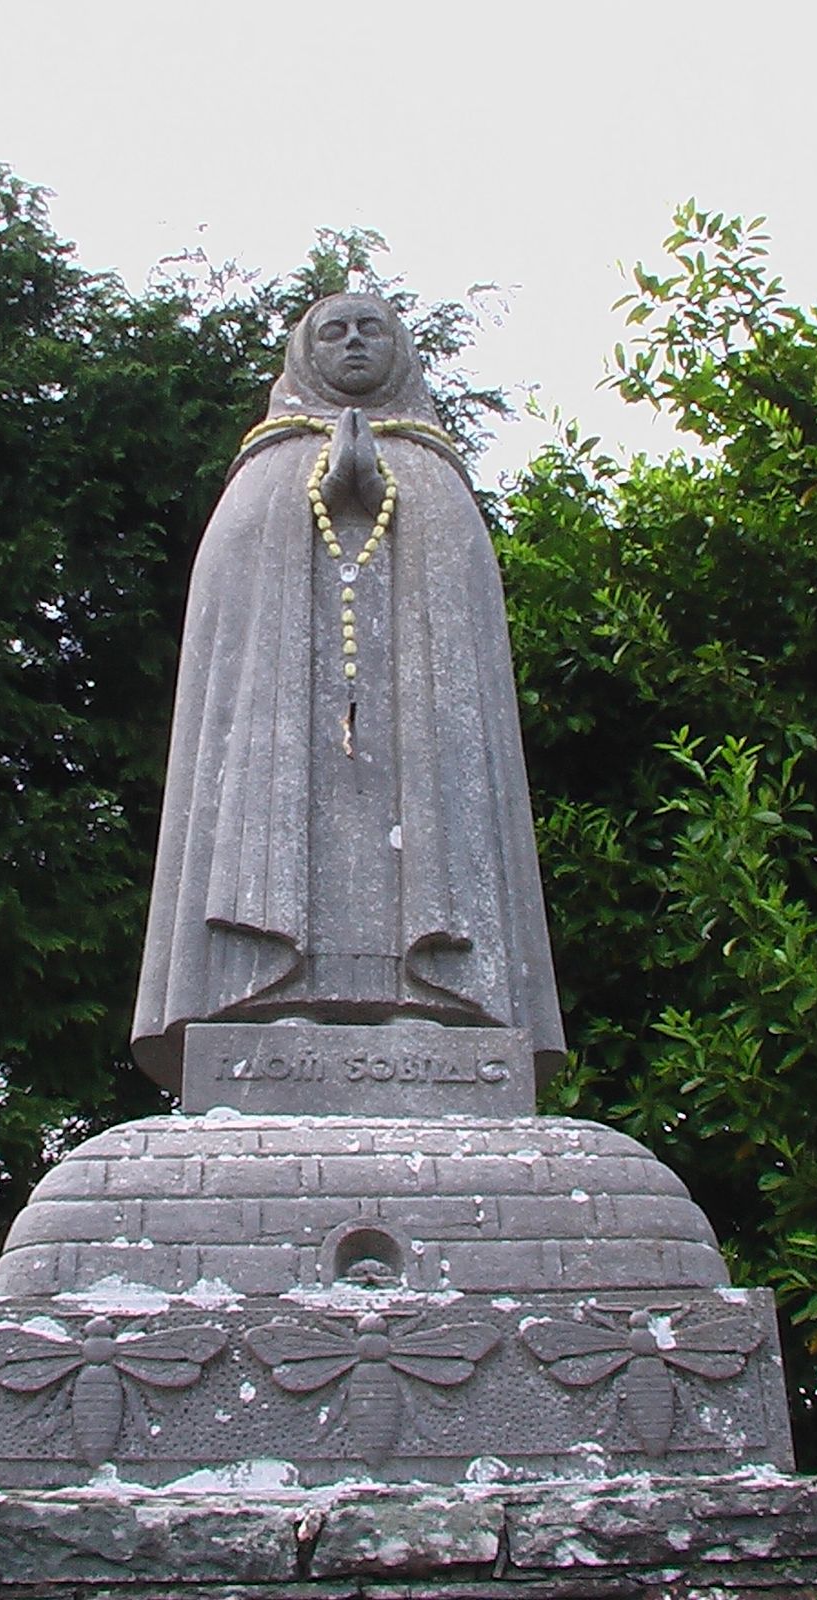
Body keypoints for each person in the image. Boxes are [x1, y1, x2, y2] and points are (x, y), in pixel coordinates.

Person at [131, 294, 565, 1092]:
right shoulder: (266, 467)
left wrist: (386, 494)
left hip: (416, 738)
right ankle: (270, 1000)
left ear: (402, 351)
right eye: (335, 330)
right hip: (284, 734)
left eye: (374, 329)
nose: (355, 343)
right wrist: (313, 498)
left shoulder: (432, 470)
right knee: (283, 829)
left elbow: (464, 622)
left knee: (429, 830)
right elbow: (230, 608)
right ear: (305, 353)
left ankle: (437, 1004)